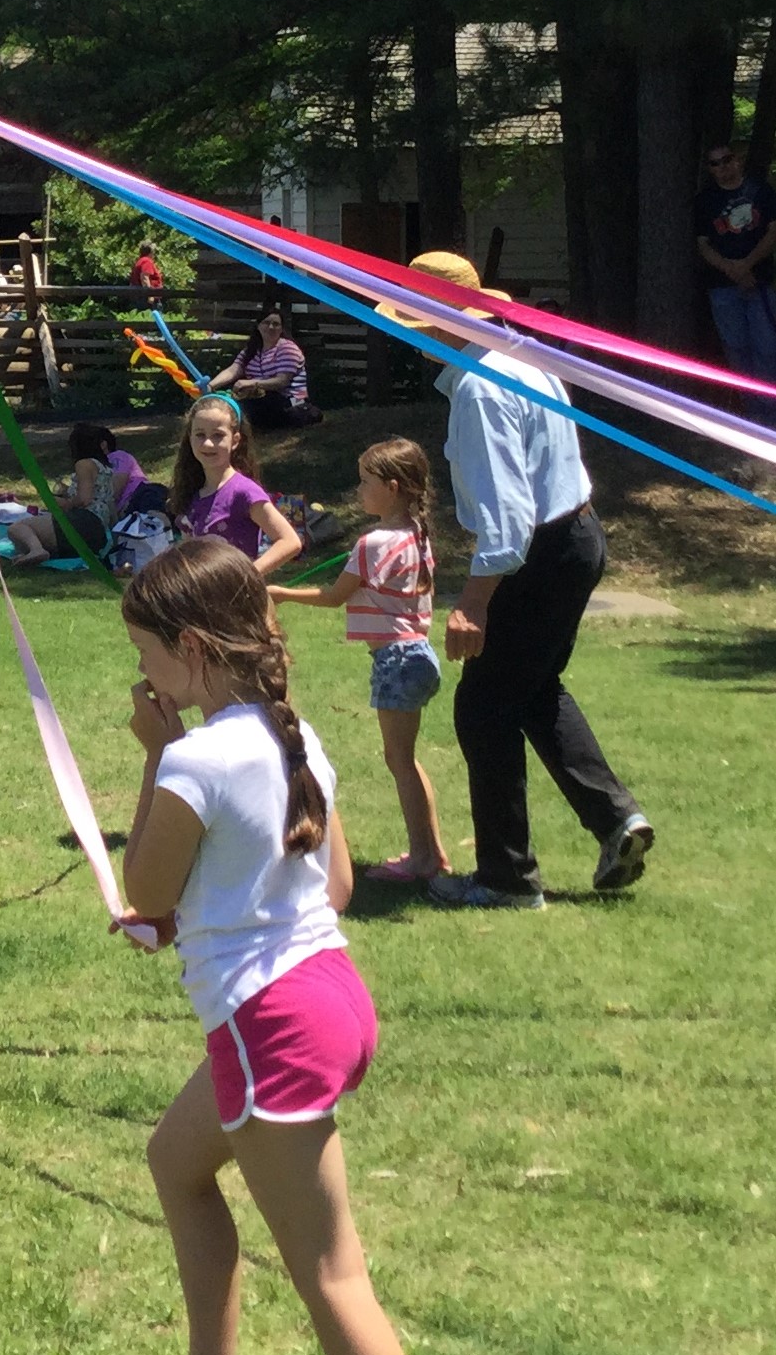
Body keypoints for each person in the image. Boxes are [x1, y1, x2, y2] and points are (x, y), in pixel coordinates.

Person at [109, 539, 456, 1355]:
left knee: (332, 1273)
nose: (143, 677)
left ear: (192, 647)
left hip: (273, 1032)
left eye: (147, 654)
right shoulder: (291, 738)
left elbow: (149, 890)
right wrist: (197, 918)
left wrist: (149, 752)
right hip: (329, 999)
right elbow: (330, 890)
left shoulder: (192, 756)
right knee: (177, 1163)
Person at [402, 250, 651, 910]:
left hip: (537, 554)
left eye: (412, 318)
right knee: (529, 689)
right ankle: (614, 819)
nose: (406, 333)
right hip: (573, 539)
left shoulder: (481, 390)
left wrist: (472, 605)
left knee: (482, 706)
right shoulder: (519, 359)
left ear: (440, 319)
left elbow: (507, 521)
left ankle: (507, 879)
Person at [273, 439, 452, 886]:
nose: (359, 490)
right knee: (407, 760)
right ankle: (433, 853)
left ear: (391, 488)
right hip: (417, 657)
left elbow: (334, 597)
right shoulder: (417, 535)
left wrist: (279, 593)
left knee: (400, 761)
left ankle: (422, 860)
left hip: (395, 659)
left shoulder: (374, 542)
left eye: (365, 482)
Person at [169, 394, 303, 575]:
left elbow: (290, 541)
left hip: (238, 599)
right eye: (200, 435)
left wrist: (247, 575)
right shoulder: (194, 494)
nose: (208, 444)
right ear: (190, 438)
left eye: (218, 435)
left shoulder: (244, 491)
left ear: (235, 440)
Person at [693, 141, 776, 382]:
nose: (723, 167)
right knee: (736, 349)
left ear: (737, 159)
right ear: (710, 168)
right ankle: (750, 412)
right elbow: (703, 245)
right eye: (715, 163)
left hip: (760, 282)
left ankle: (769, 414)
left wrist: (746, 265)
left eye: (726, 159)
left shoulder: (760, 190)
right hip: (722, 287)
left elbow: (773, 232)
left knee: (768, 349)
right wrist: (733, 270)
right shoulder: (705, 201)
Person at [9, 422, 147, 567]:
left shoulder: (84, 464)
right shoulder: (106, 470)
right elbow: (110, 506)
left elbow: (84, 499)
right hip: (97, 536)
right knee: (30, 538)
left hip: (83, 523)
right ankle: (42, 550)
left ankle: (37, 550)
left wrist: (62, 503)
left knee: (17, 528)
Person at [210, 310, 321, 430]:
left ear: (281, 328)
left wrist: (251, 383)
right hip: (263, 400)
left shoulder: (288, 348)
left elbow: (282, 381)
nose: (271, 327)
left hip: (293, 401)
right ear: (258, 326)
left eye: (276, 324)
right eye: (266, 323)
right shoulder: (252, 350)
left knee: (252, 406)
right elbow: (233, 370)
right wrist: (211, 386)